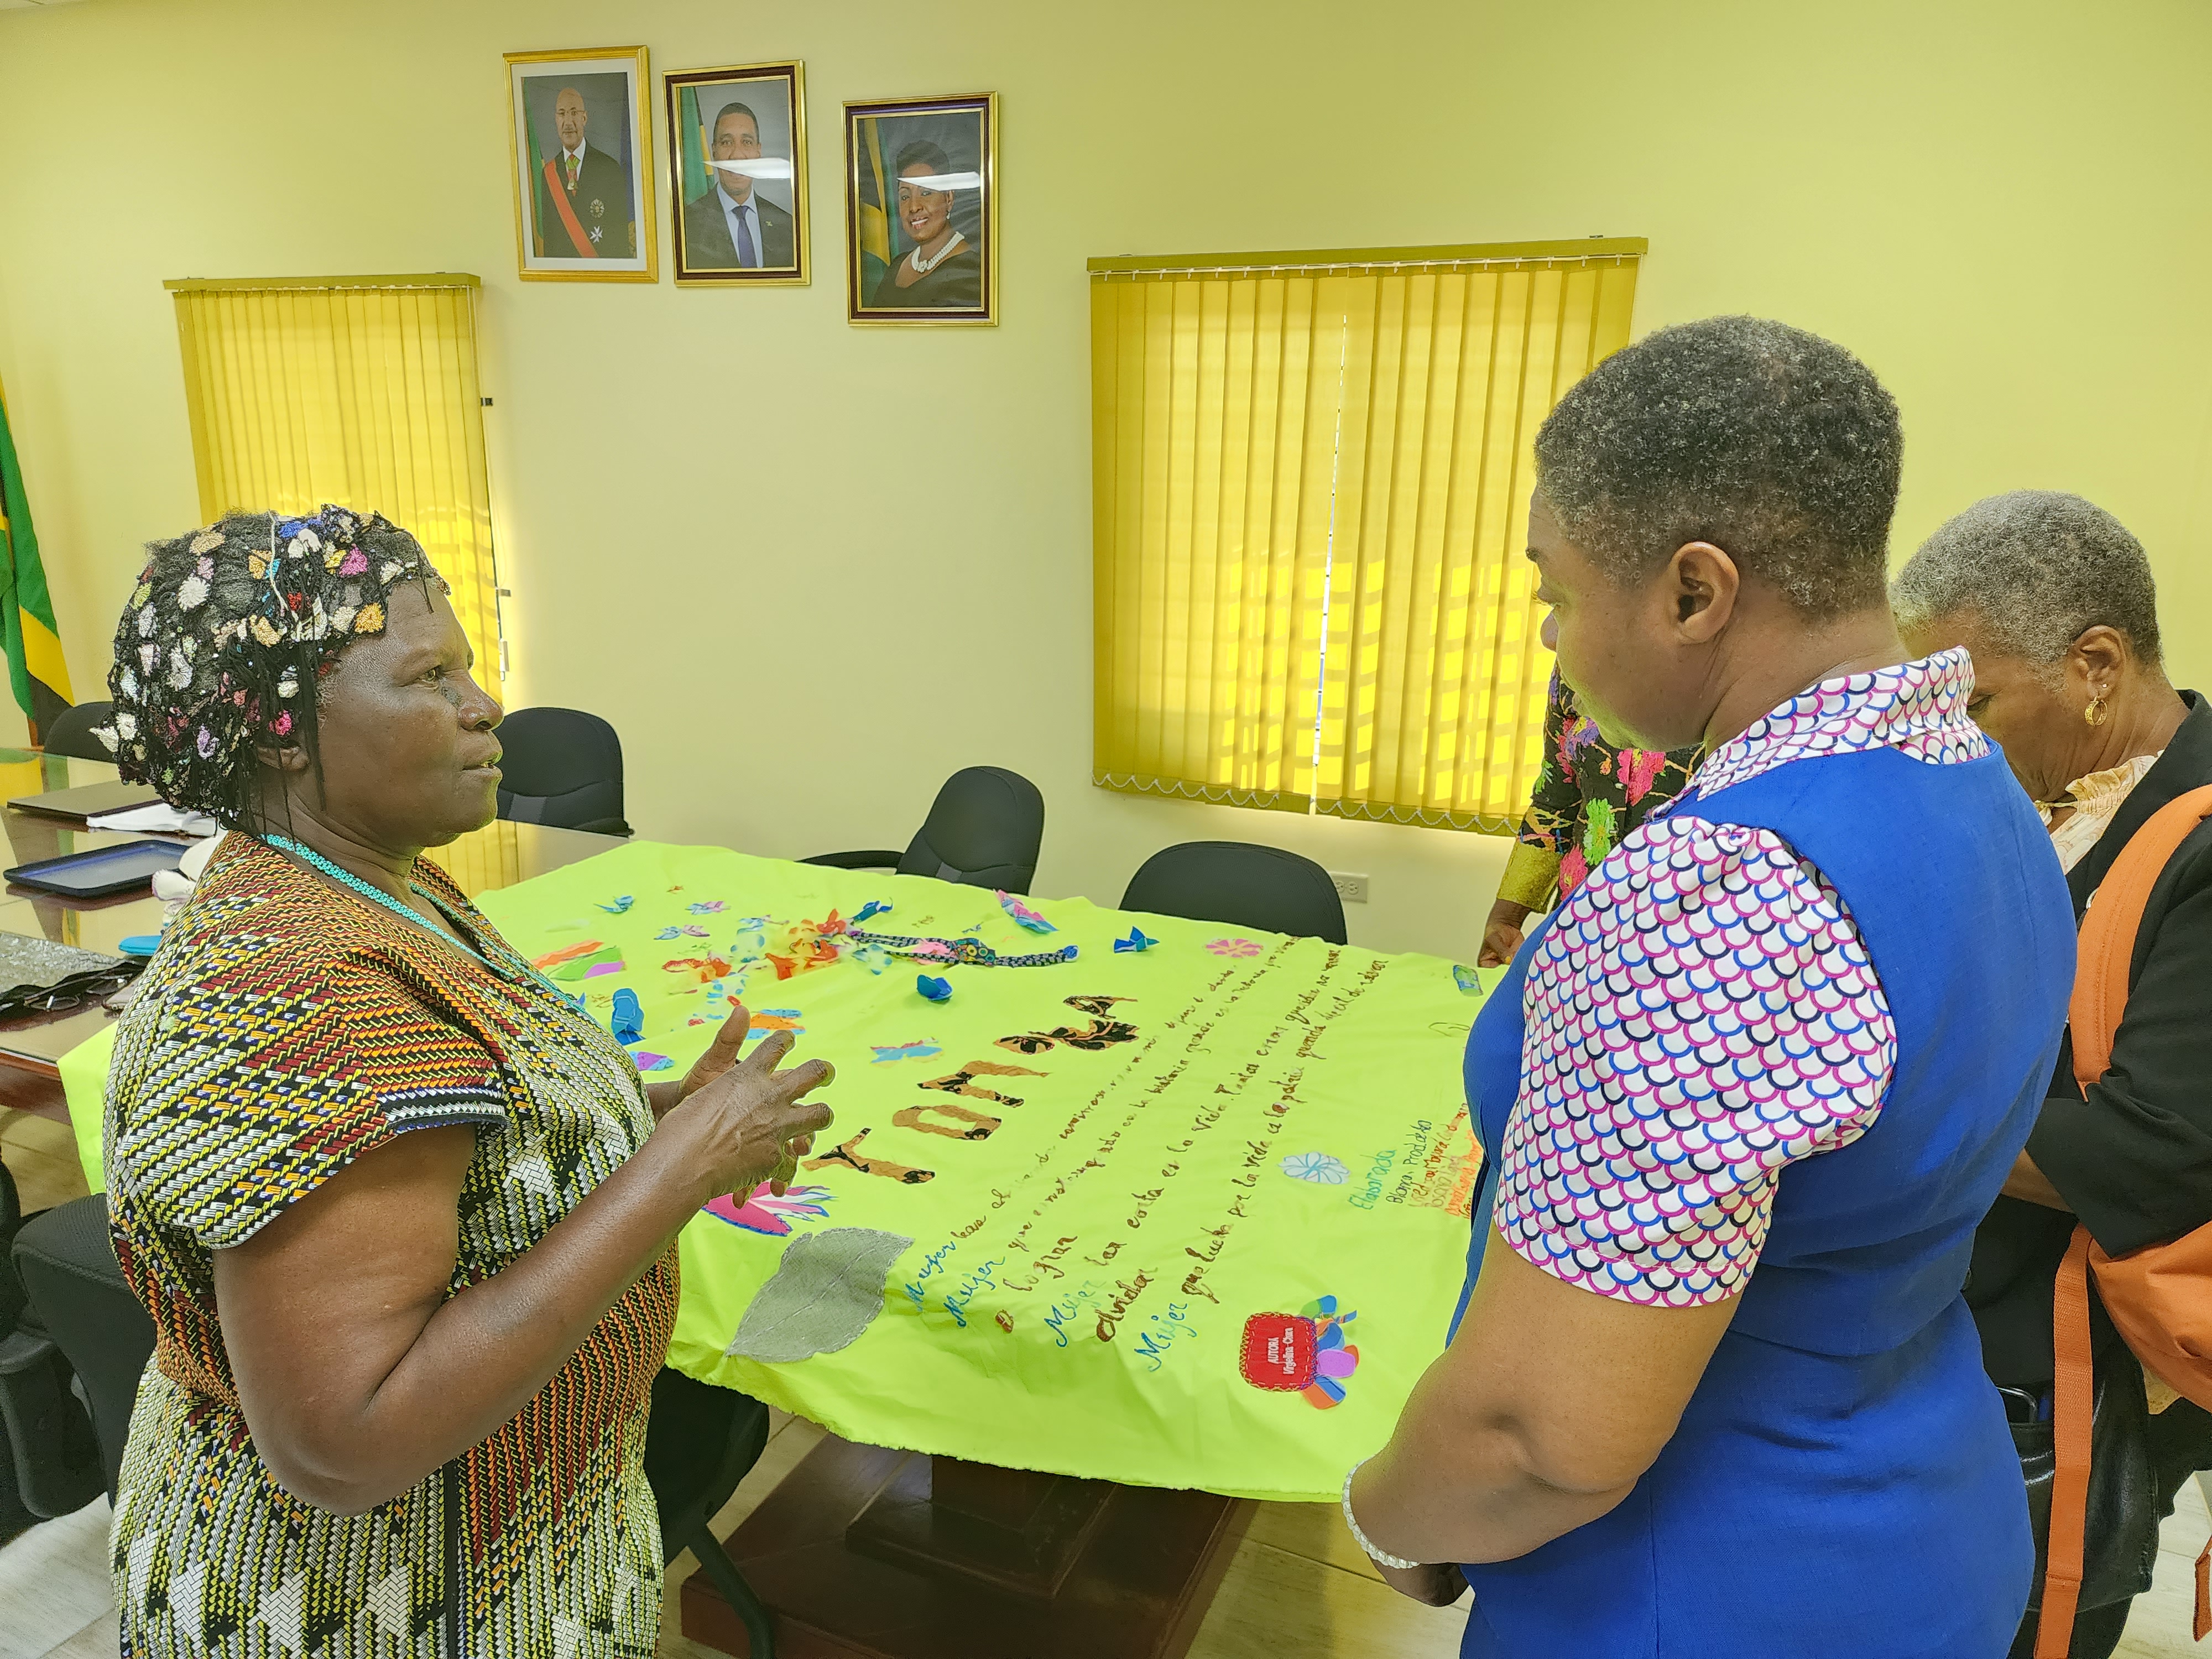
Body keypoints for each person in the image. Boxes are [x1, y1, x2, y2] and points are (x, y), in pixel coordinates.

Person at [1343, 317, 2076, 1657]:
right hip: (1921, 1511)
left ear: (1692, 592)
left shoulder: (1722, 892)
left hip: (1700, 1585)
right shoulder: (1978, 791)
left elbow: (1535, 1438)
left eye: (1555, 596)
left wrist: (1388, 1519)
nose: (1552, 641)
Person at [93, 505, 833, 1654]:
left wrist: (640, 1123)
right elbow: (348, 1437)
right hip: (379, 1604)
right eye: (429, 676)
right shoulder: (316, 990)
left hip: (484, 1546)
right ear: (283, 731)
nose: (484, 705)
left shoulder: (369, 884)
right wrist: (679, 1173)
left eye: (468, 669)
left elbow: (461, 1132)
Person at [1895, 491, 2212, 1659]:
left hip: (2077, 1371)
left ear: (2091, 666)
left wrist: (1867, 1117)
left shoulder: (2198, 838)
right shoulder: (2045, 803)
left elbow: (2147, 1150)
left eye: (1972, 701)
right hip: (1967, 1326)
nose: (1954, 734)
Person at [1478, 668, 1698, 967]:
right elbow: (1555, 798)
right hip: (1575, 924)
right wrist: (1506, 916)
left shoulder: (1727, 667)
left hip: (1688, 930)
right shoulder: (1571, 660)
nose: (1549, 635)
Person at [867, 140, 982, 309]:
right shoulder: (898, 265)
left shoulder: (970, 270)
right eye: (905, 197)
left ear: (949, 198)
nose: (914, 207)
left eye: (926, 193)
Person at [682, 101, 796, 270]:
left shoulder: (787, 226)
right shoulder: (686, 224)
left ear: (759, 152)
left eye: (747, 142)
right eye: (727, 143)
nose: (737, 155)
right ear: (714, 151)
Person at [539, 85, 633, 258]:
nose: (568, 122)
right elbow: (549, 244)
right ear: (556, 119)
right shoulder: (548, 174)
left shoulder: (609, 169)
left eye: (574, 113)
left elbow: (619, 242)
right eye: (562, 113)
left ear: (585, 118)